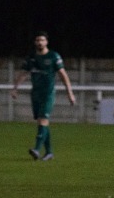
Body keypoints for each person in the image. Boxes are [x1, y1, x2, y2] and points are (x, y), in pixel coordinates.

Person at [11, 31, 75, 161]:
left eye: (42, 40)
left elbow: (63, 75)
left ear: (46, 42)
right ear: (35, 42)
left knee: (43, 120)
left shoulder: (53, 56)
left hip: (48, 93)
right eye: (38, 40)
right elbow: (23, 73)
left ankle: (36, 149)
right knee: (43, 122)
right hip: (35, 94)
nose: (40, 42)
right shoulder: (32, 57)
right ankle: (49, 152)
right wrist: (15, 88)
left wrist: (70, 93)